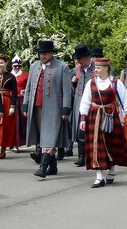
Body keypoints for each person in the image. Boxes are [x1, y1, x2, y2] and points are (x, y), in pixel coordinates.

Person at [79, 57, 127, 188]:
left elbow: (125, 101)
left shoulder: (115, 82)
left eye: (98, 67)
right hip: (94, 117)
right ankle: (99, 177)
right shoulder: (91, 83)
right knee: (96, 146)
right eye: (95, 67)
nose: (95, 70)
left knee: (111, 145)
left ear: (106, 68)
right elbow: (85, 101)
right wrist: (83, 119)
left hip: (110, 117)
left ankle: (112, 170)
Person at [22, 40, 72, 178]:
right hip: (37, 107)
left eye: (44, 53)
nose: (42, 56)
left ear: (51, 53)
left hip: (54, 108)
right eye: (40, 53)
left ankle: (43, 167)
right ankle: (53, 166)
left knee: (49, 137)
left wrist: (65, 109)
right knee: (43, 136)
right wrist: (25, 104)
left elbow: (67, 91)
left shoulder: (62, 67)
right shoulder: (33, 66)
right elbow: (28, 87)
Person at [70, 44, 93, 167]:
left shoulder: (96, 68)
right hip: (79, 103)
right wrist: (73, 83)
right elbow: (70, 90)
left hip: (94, 102)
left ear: (87, 57)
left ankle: (93, 154)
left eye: (80, 58)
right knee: (80, 130)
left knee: (94, 130)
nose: (78, 61)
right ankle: (81, 156)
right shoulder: (75, 70)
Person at [11, 54, 29, 151]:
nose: (17, 67)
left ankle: (22, 142)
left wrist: (25, 91)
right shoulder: (9, 75)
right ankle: (13, 143)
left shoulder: (26, 74)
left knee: (22, 122)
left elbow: (30, 87)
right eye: (15, 66)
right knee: (13, 122)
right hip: (11, 100)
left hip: (22, 100)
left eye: (18, 66)